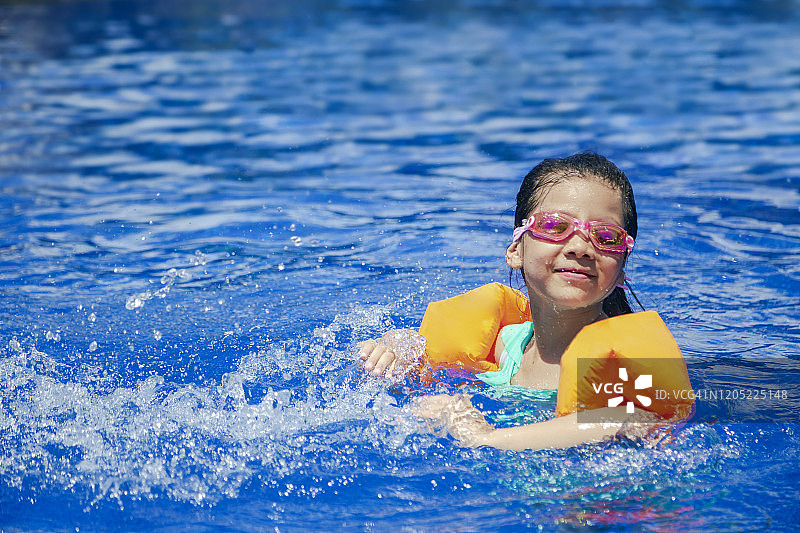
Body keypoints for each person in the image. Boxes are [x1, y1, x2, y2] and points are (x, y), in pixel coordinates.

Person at [359, 152, 670, 451]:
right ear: (516, 250)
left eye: (606, 236)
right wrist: (400, 347)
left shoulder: (619, 364)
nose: (580, 247)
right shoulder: (508, 344)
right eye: (555, 226)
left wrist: (485, 437)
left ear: (621, 270)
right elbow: (423, 371)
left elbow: (631, 418)